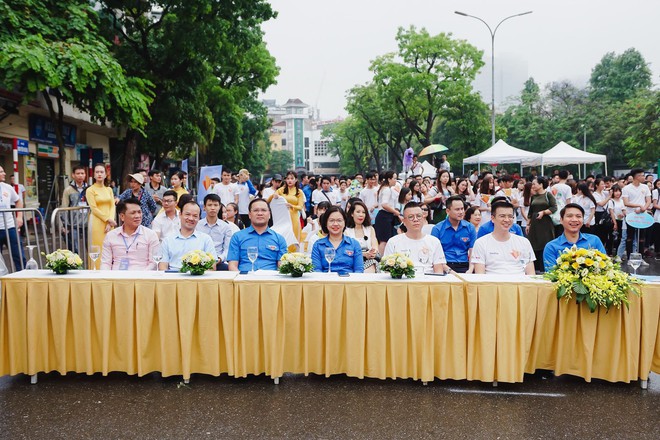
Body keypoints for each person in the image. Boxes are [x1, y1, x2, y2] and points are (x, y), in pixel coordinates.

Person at [471, 201, 536, 275]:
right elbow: (480, 275)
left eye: (510, 216)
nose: (507, 220)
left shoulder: (524, 242)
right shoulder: (481, 243)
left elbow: (531, 274)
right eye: (502, 216)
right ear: (492, 218)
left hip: (519, 284)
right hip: (493, 285)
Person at [384, 202, 448, 274]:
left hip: (428, 282)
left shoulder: (434, 242)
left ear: (423, 218)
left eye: (419, 216)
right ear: (404, 221)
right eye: (411, 217)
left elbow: (438, 271)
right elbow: (387, 271)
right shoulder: (393, 242)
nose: (415, 219)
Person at [227, 198, 287, 271]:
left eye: (263, 210)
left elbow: (282, 267)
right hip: (244, 279)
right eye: (256, 210)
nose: (260, 213)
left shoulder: (279, 239)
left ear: (269, 215)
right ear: (249, 215)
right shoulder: (237, 237)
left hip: (270, 279)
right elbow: (232, 265)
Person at [542, 203, 607, 271]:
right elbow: (551, 275)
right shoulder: (551, 247)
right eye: (569, 216)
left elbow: (605, 267)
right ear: (561, 220)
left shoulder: (594, 240)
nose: (574, 219)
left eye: (578, 216)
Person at [100, 198, 160, 270]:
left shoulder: (150, 235)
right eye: (133, 213)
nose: (138, 216)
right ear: (122, 216)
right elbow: (105, 263)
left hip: (142, 277)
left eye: (139, 212)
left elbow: (153, 263)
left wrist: (140, 277)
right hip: (117, 278)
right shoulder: (111, 236)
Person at [158, 200, 217, 271]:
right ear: (180, 215)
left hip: (197, 279)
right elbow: (162, 267)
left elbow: (212, 267)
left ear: (199, 218)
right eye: (187, 214)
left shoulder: (205, 239)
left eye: (195, 216)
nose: (191, 218)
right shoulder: (168, 240)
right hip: (173, 278)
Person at [311, 206, 363, 273]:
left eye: (339, 220)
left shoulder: (354, 244)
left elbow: (359, 271)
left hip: (349, 281)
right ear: (326, 223)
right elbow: (316, 270)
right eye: (331, 220)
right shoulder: (318, 245)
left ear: (344, 223)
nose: (335, 224)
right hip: (325, 281)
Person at [431, 196, 476, 273]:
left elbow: (473, 251)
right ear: (448, 211)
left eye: (462, 209)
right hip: (444, 265)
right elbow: (434, 255)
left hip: (464, 265)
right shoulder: (437, 229)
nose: (461, 212)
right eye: (457, 209)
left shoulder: (470, 227)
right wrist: (449, 271)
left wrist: (470, 270)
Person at [86, 163, 116, 267]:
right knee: (97, 247)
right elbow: (93, 208)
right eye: (97, 172)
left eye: (101, 172)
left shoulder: (109, 190)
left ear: (105, 174)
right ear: (93, 175)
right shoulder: (90, 190)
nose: (99, 174)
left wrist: (110, 221)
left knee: (110, 247)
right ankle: (95, 271)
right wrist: (107, 219)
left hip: (109, 223)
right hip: (96, 223)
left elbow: (112, 206)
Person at [526, 176, 557, 272]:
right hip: (535, 224)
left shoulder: (548, 195)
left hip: (545, 224)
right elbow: (530, 212)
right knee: (534, 244)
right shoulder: (533, 197)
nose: (533, 185)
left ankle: (546, 268)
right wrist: (528, 224)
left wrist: (544, 212)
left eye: (535, 183)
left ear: (541, 184)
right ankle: (535, 269)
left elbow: (554, 207)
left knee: (545, 244)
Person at [196, 193, 233, 270]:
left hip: (219, 261)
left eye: (215, 205)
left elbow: (227, 249)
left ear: (219, 207)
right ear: (204, 207)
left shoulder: (226, 227)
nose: (213, 208)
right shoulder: (197, 225)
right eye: (209, 205)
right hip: (198, 261)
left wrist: (219, 259)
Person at [622, 168, 652, 261]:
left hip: (643, 215)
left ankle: (641, 258)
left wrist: (644, 207)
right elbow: (626, 203)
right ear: (636, 176)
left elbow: (648, 200)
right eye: (642, 175)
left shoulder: (645, 187)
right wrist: (638, 205)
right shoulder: (626, 188)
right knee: (630, 237)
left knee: (642, 238)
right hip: (631, 215)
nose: (644, 177)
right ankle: (629, 258)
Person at [0, 166, 25, 270]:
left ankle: (23, 279)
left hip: (10, 227)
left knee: (19, 256)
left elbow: (18, 201)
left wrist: (19, 217)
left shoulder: (7, 187)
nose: (4, 173)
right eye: (1, 172)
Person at [269, 171, 305, 241]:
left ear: (296, 180)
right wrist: (274, 196)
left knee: (294, 237)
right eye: (288, 179)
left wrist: (292, 206)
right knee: (283, 237)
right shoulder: (281, 190)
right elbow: (269, 200)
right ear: (285, 180)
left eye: (292, 178)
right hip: (283, 217)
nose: (290, 180)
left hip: (294, 217)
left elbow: (300, 207)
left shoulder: (299, 192)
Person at [60, 165, 89, 253]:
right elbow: (64, 207)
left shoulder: (89, 189)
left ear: (85, 175)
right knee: (74, 250)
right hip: (73, 224)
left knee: (91, 249)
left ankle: (91, 266)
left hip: (88, 224)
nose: (80, 175)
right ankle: (76, 266)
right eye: (78, 173)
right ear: (73, 175)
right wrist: (65, 225)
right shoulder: (68, 190)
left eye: (82, 173)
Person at [345, 200, 379, 273]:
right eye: (358, 212)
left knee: (372, 263)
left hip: (370, 260)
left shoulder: (370, 229)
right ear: (352, 214)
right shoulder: (346, 231)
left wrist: (373, 252)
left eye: (363, 212)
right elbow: (347, 251)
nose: (361, 215)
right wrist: (363, 254)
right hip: (353, 260)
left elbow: (375, 245)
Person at [374, 171, 401, 255]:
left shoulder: (387, 189)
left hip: (386, 216)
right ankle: (381, 260)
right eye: (394, 178)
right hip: (384, 216)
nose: (395, 180)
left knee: (386, 240)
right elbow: (384, 204)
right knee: (384, 241)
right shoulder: (386, 190)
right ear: (389, 179)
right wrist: (395, 212)